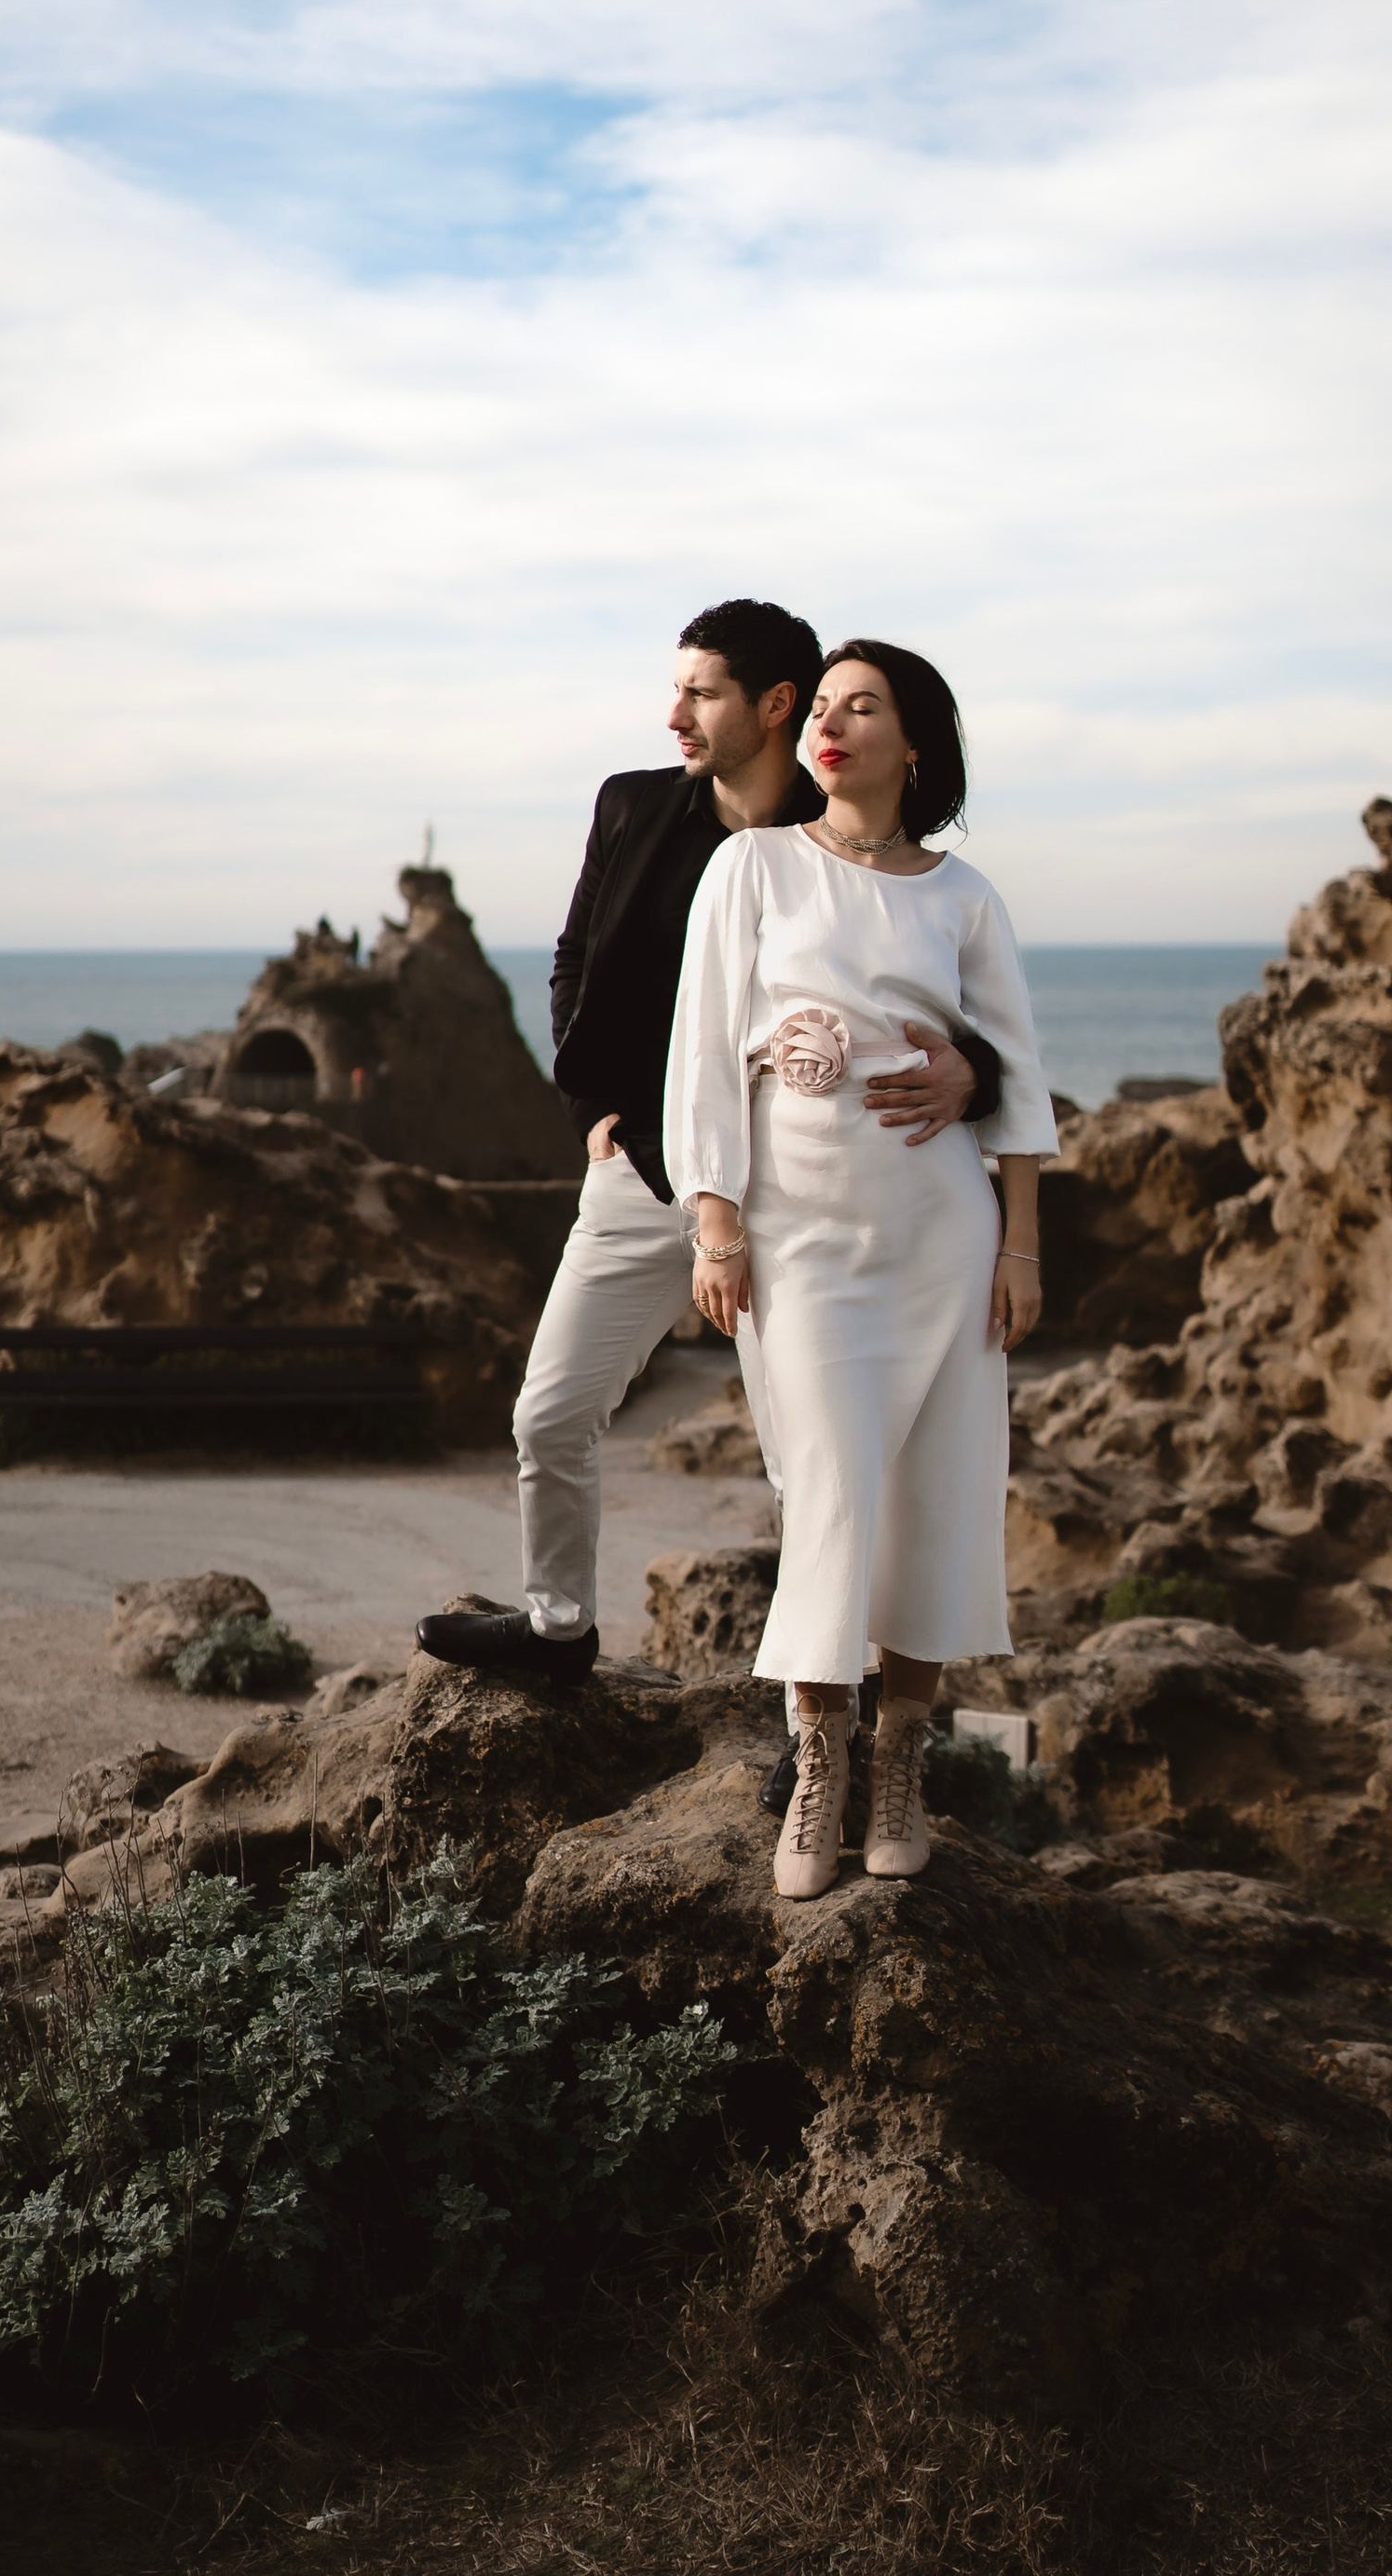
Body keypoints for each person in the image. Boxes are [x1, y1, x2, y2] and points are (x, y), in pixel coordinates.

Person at [415, 599, 999, 1696]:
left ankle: (815, 1714)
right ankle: (556, 1626)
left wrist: (979, 1074)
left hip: (800, 1192)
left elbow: (914, 993)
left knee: (806, 1465)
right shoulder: (634, 810)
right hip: (645, 1170)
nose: (674, 712)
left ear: (773, 706)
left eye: (703, 691)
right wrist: (595, 1109)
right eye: (677, 688)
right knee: (549, 1413)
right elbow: (573, 963)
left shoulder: (840, 846)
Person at [665, 639, 1056, 1899]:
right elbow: (705, 1055)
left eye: (861, 708)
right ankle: (817, 1762)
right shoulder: (755, 866)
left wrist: (1021, 1242)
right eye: (821, 708)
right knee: (831, 1490)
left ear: (914, 743)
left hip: (942, 1236)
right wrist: (716, 1227)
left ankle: (899, 1764)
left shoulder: (965, 897)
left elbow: (1018, 1077)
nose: (830, 727)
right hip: (802, 1241)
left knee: (939, 1498)